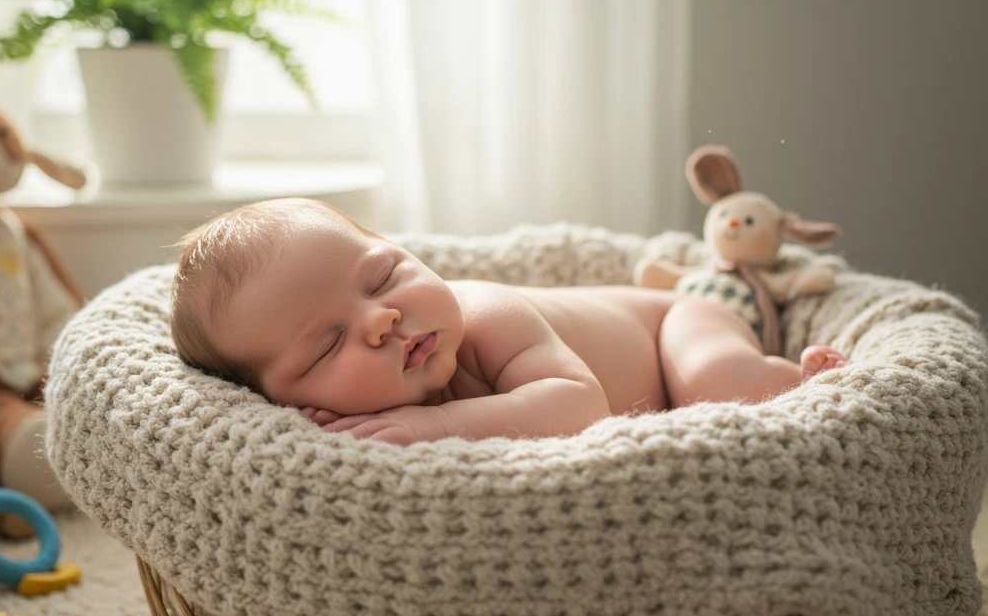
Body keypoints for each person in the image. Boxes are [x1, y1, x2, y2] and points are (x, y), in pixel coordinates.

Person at [170, 197, 848, 446]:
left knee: (716, 384)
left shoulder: (484, 316)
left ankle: (798, 378)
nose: (382, 319)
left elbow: (579, 405)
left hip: (673, 325)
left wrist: (432, 425)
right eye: (326, 346)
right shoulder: (346, 428)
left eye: (382, 277)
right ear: (282, 400)